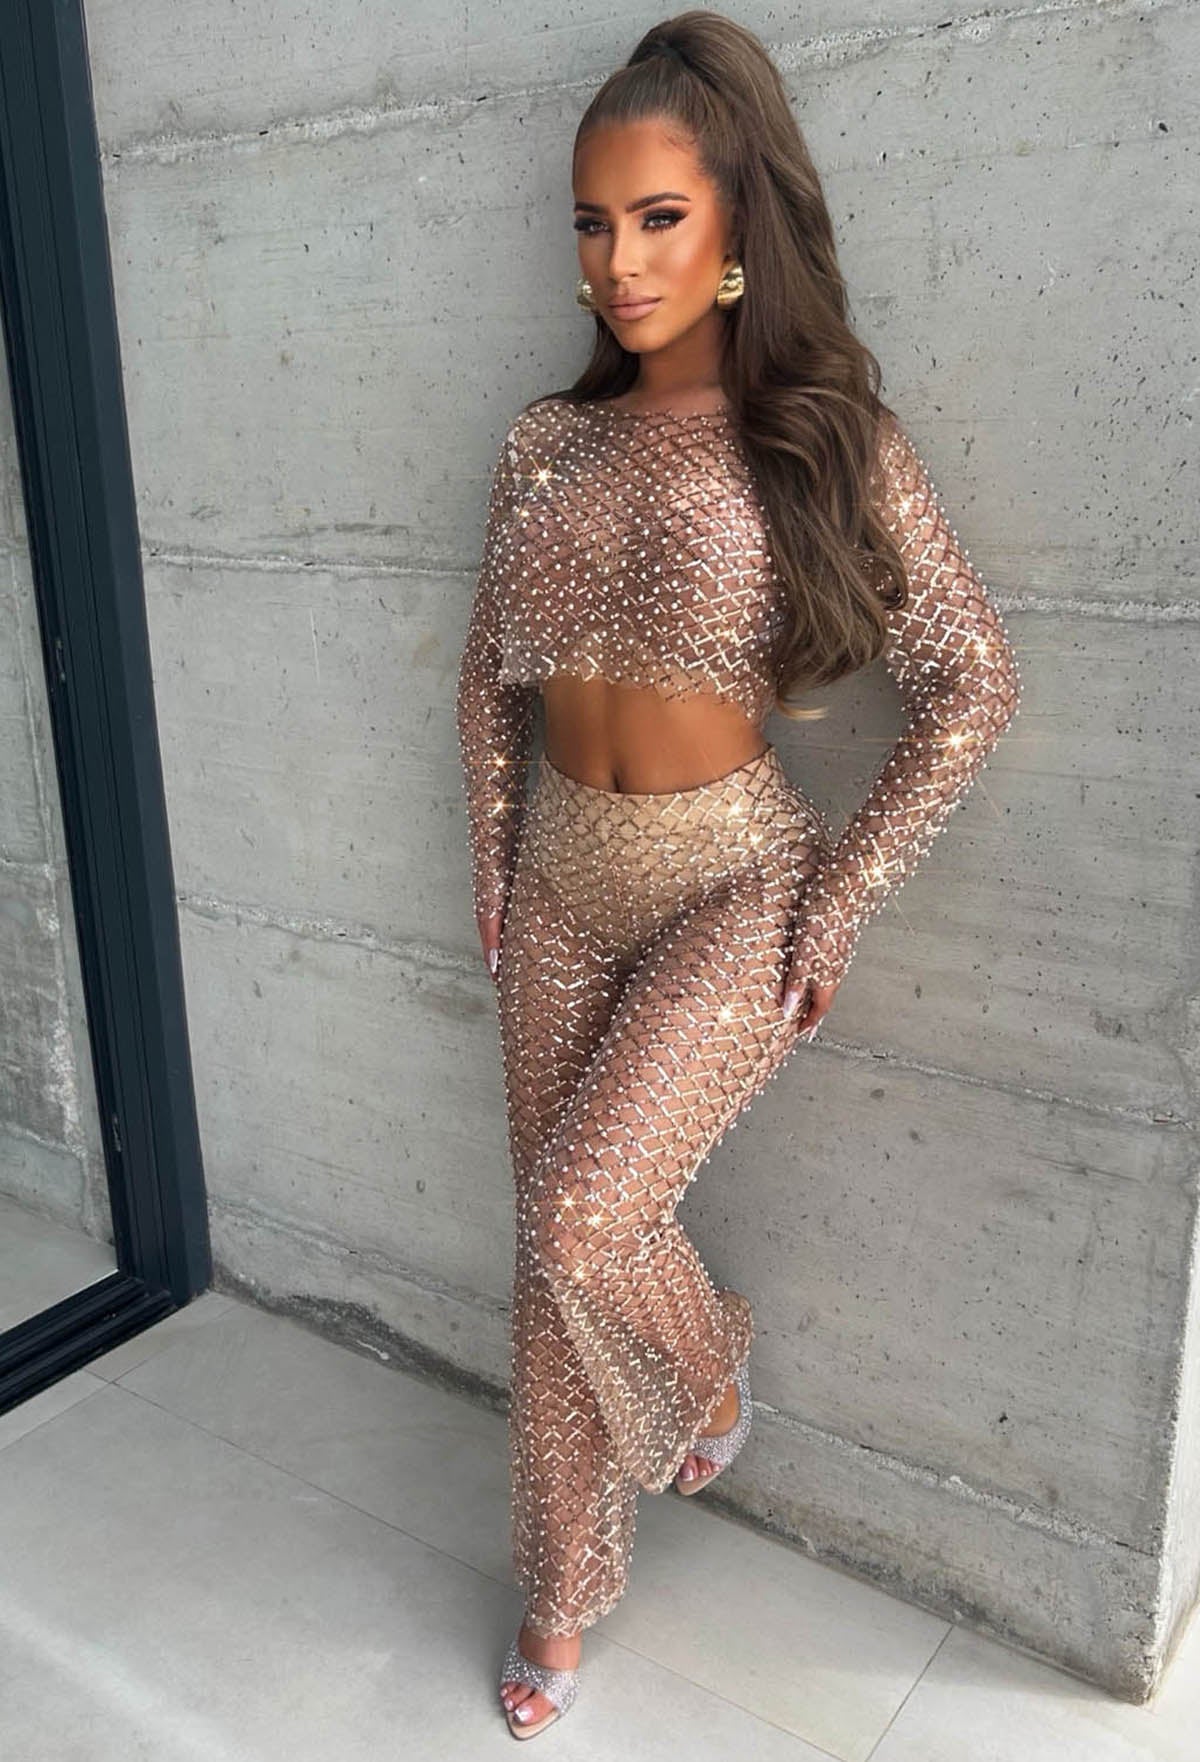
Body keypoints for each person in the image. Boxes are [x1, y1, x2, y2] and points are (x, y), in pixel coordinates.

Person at [454, 11, 1022, 1739]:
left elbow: (972, 682)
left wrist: (839, 896)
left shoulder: (820, 436)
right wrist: (489, 841)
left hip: (730, 882)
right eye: (592, 222)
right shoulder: (545, 442)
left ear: (733, 233)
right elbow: (485, 669)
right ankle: (560, 1592)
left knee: (585, 1216)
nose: (617, 262)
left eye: (657, 219)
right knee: (546, 1259)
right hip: (560, 873)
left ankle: (707, 1371)